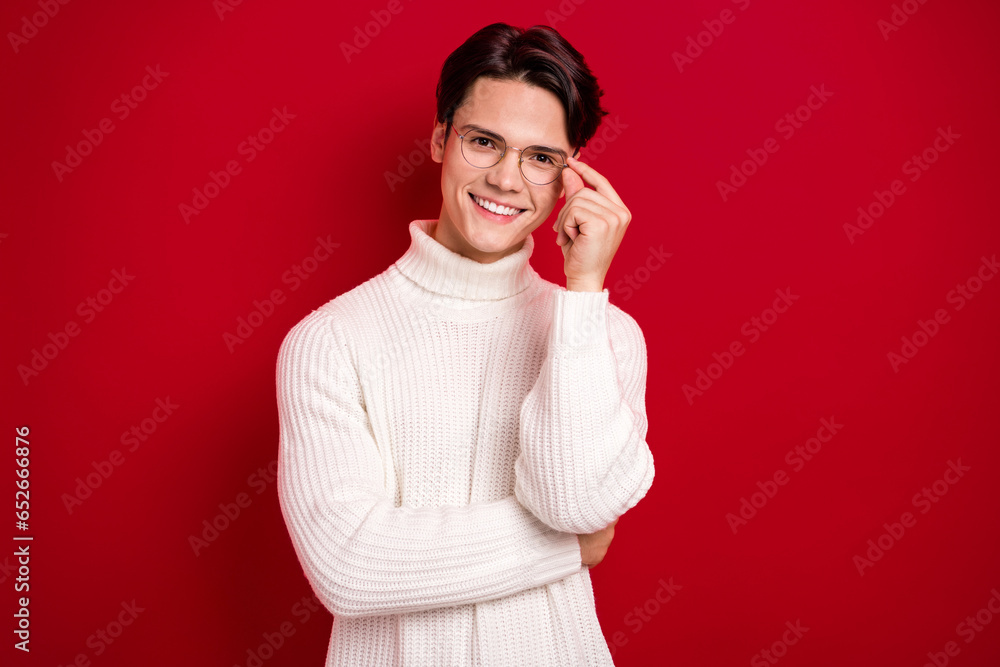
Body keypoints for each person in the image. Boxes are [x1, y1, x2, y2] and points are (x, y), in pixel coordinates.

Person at [275, 21, 655, 666]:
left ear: (572, 177)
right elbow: (349, 567)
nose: (508, 180)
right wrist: (567, 546)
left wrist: (584, 287)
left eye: (540, 157)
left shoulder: (598, 332)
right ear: (440, 139)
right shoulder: (330, 341)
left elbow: (575, 499)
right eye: (484, 143)